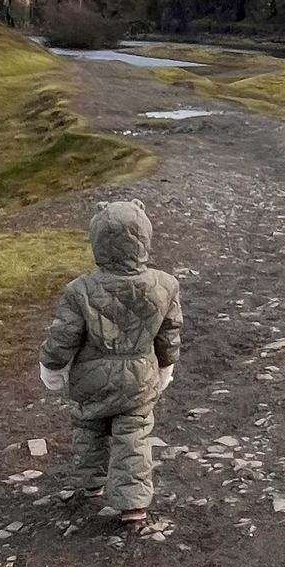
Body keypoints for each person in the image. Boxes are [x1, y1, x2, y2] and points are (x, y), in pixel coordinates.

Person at [38, 200, 183, 531]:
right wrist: (166, 366)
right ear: (144, 237)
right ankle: (133, 507)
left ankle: (91, 482)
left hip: (91, 377)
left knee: (89, 428)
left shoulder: (80, 290)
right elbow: (169, 335)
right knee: (133, 436)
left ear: (97, 239)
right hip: (138, 378)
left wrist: (51, 366)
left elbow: (63, 336)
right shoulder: (164, 285)